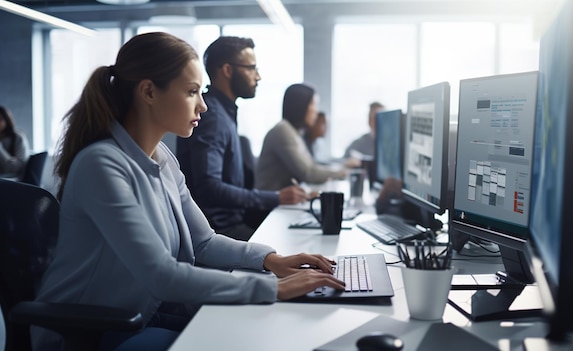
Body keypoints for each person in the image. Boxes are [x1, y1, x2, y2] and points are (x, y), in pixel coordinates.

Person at [33, 32, 344, 351]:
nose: (204, 106)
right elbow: (161, 276)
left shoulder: (162, 158)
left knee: (260, 330)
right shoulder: (101, 165)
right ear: (149, 92)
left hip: (140, 317)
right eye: (192, 92)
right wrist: (273, 290)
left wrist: (271, 259)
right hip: (87, 334)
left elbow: (203, 242)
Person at [176, 36, 306, 241]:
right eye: (251, 68)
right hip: (220, 232)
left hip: (230, 226)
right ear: (227, 70)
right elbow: (209, 187)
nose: (258, 76)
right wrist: (277, 197)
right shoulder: (214, 117)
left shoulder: (223, 113)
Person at [256, 83, 347, 191]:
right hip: (272, 204)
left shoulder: (295, 132)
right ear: (300, 106)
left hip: (286, 201)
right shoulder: (283, 131)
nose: (316, 111)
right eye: (313, 104)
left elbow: (312, 165)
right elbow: (308, 173)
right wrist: (343, 172)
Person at [0, 105, 30, 179]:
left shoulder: (18, 137)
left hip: (12, 178)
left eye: (0, 119)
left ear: (7, 120)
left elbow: (17, 168)